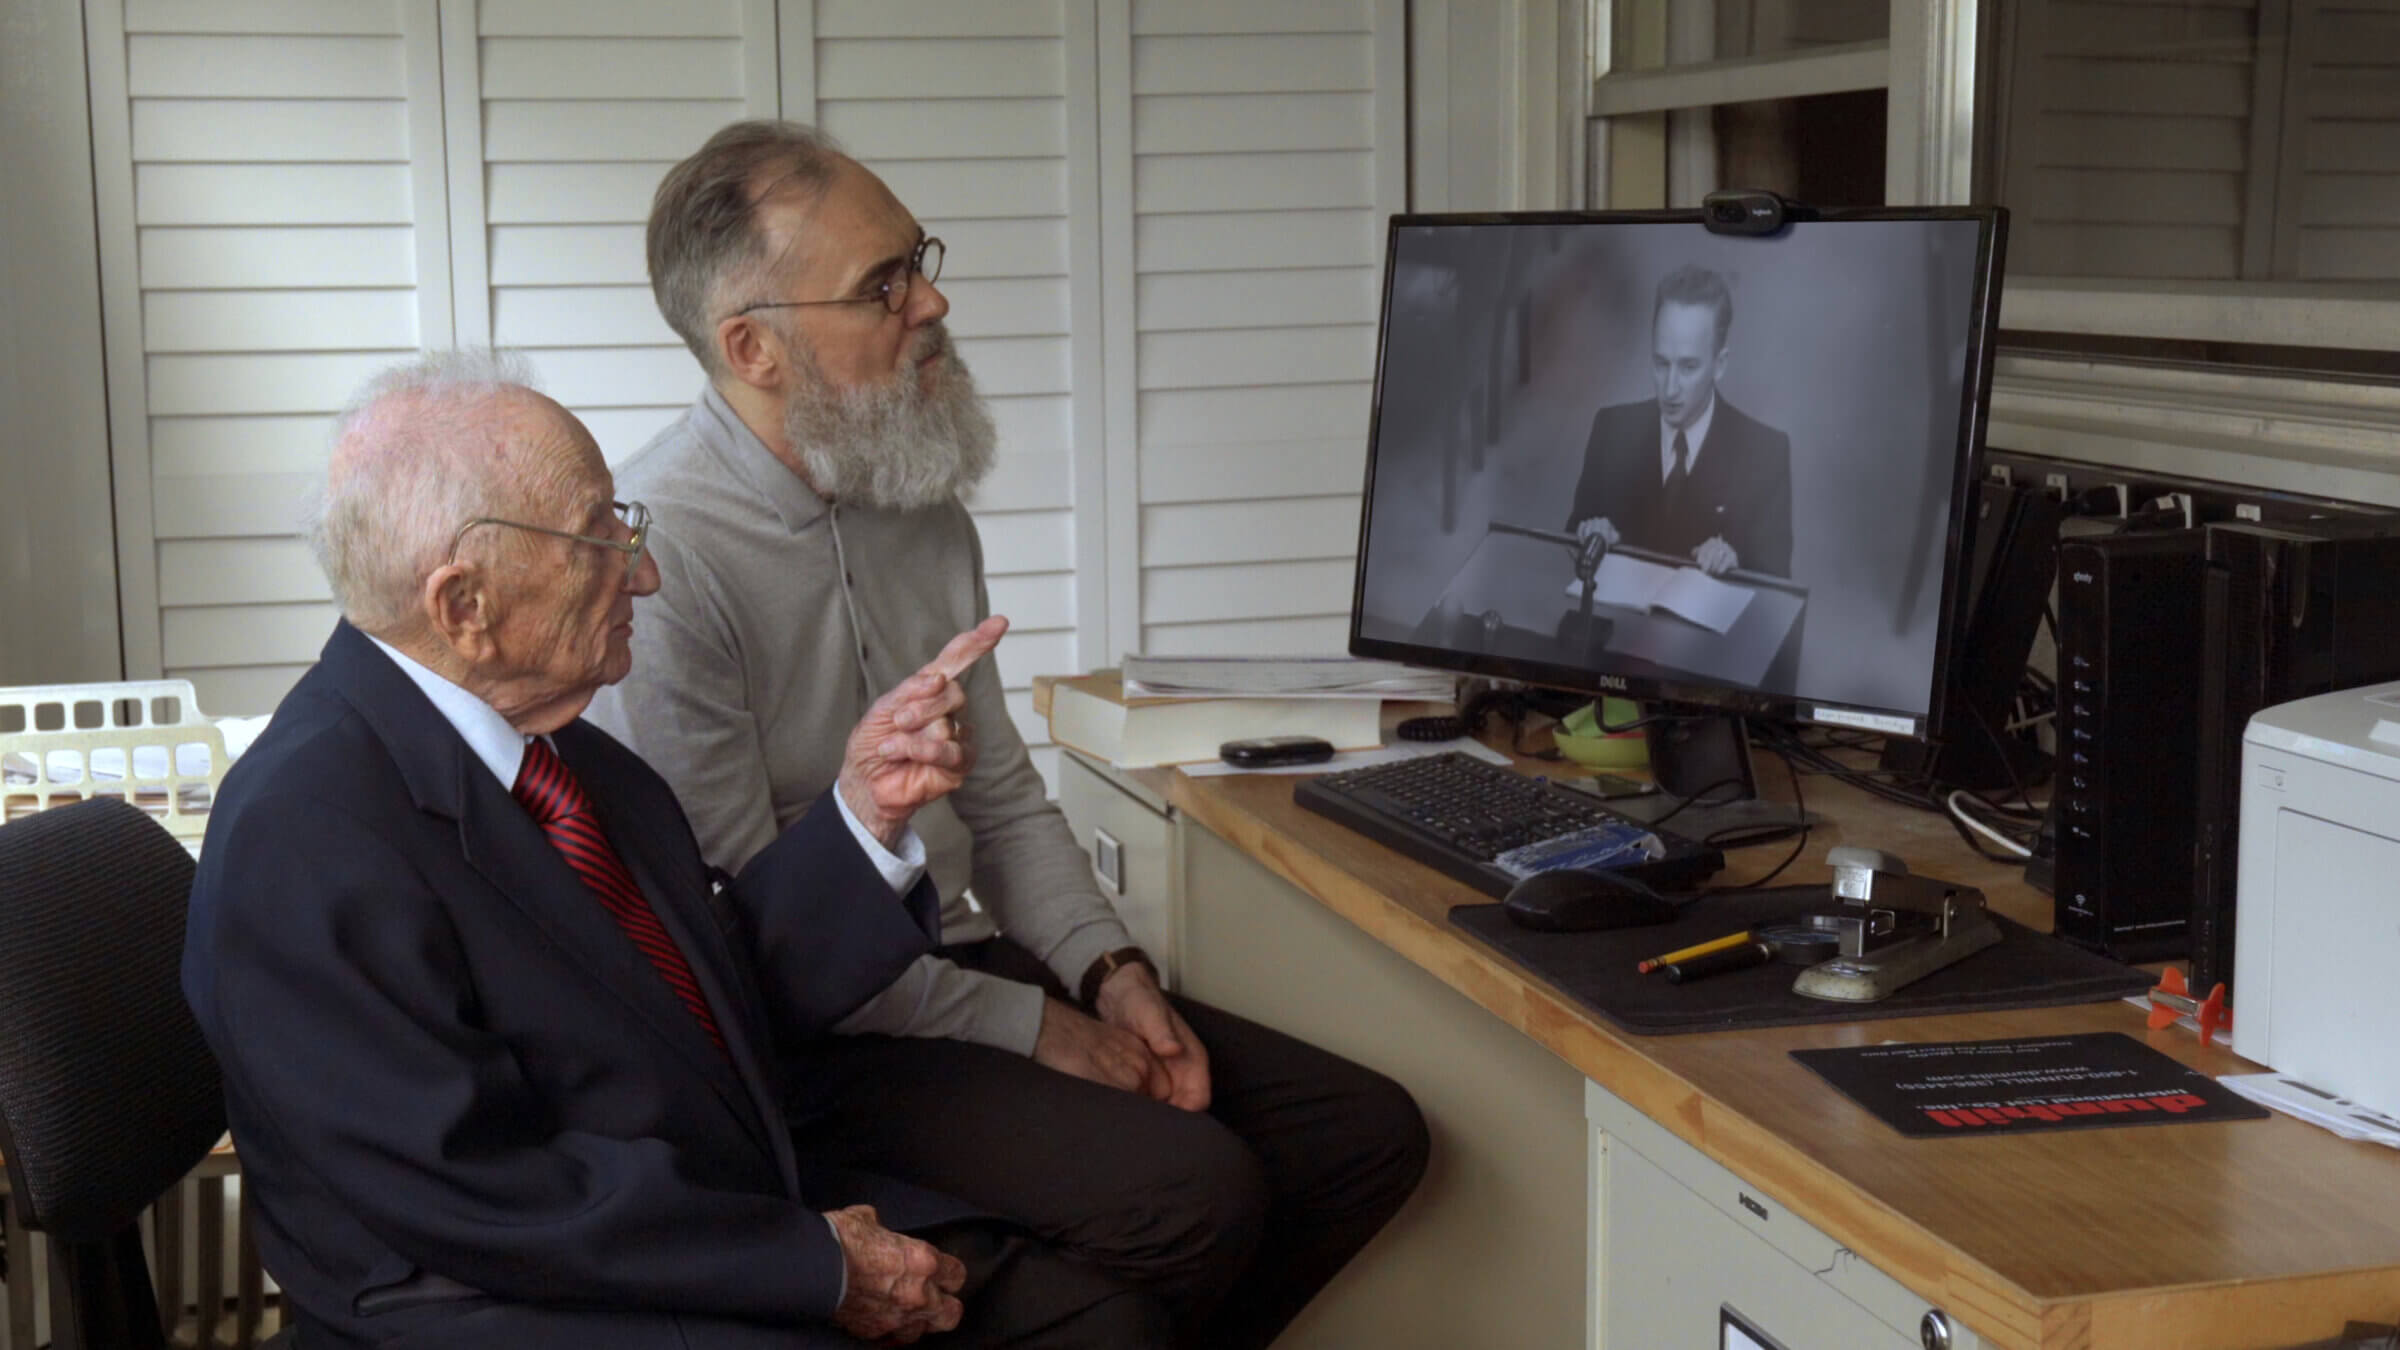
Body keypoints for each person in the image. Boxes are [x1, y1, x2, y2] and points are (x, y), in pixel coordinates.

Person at [584, 120, 1429, 1349]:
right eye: (884, 285)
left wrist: (1109, 974)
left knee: (1365, 1137)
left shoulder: (916, 496)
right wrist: (1041, 1030)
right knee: (1198, 1194)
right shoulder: (669, 572)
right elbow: (753, 944)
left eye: (915, 257)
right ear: (752, 347)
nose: (932, 299)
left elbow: (1004, 804)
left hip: (971, 972)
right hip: (822, 1032)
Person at [182, 350, 1176, 1349]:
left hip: (682, 1219)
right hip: (505, 1302)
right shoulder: (305, 832)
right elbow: (481, 1195)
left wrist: (863, 815)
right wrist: (817, 1265)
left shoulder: (570, 758)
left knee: (1104, 1320)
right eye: (599, 534)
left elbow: (721, 989)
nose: (643, 570)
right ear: (464, 607)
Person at [1566, 263, 1794, 578]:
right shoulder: (1611, 431)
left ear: (1720, 364)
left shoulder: (1765, 455)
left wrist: (1736, 562)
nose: (1670, 388)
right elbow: (1568, 544)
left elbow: (1775, 587)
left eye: (1688, 367)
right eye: (1661, 363)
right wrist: (1591, 533)